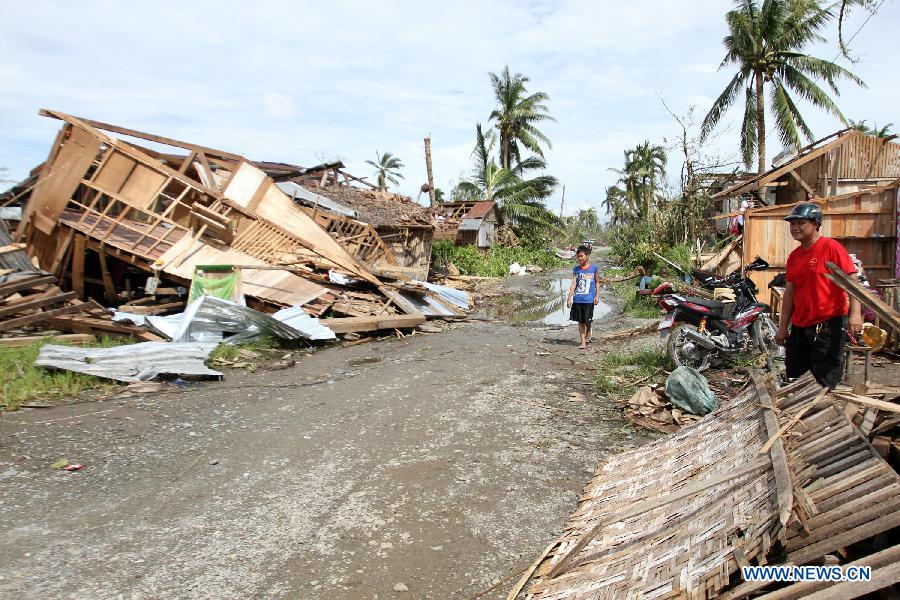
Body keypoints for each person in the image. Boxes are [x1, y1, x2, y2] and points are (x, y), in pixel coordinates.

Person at [774, 202, 862, 389]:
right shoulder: (795, 256)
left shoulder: (831, 248)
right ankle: (798, 413)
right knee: (796, 373)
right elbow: (790, 293)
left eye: (800, 223)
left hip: (829, 323)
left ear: (816, 224)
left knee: (824, 375)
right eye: (792, 224)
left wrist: (855, 314)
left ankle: (822, 412)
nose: (795, 228)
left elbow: (853, 283)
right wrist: (783, 327)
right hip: (801, 324)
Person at [566, 245, 601, 349]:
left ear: (587, 256)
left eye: (581, 256)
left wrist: (597, 296)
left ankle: (589, 330)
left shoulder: (594, 268)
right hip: (578, 299)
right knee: (580, 321)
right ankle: (583, 342)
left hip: (589, 299)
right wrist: (569, 297)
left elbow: (597, 282)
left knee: (587, 320)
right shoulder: (576, 269)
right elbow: (573, 284)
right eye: (578, 256)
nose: (580, 258)